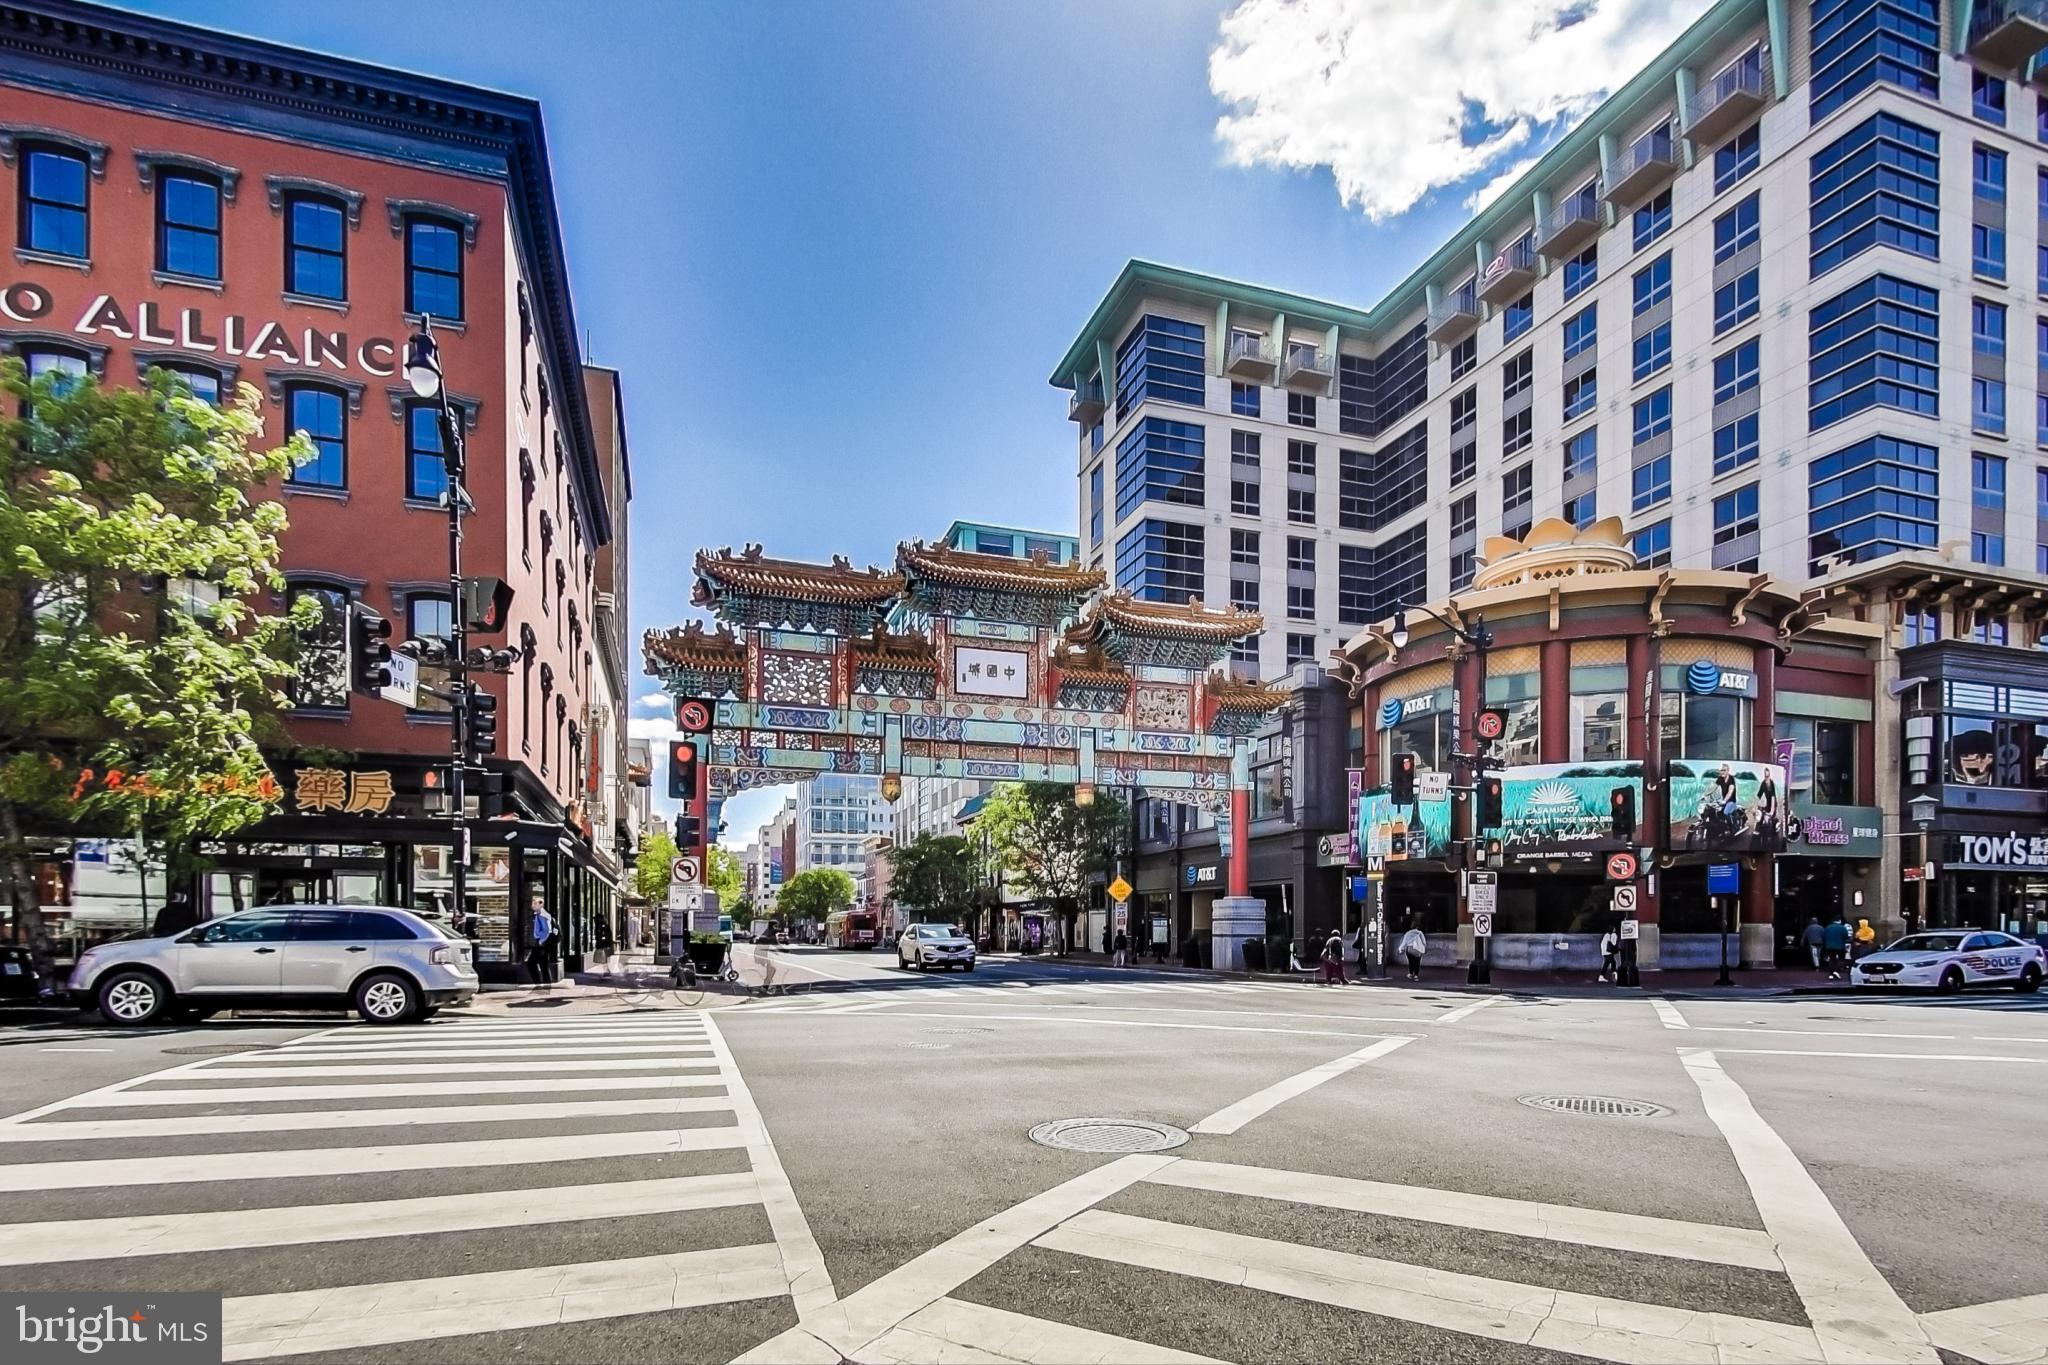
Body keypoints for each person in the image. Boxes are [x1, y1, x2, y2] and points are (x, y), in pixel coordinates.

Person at [526, 897, 555, 985]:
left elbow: (546, 930)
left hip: (541, 943)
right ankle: (546, 982)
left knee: (531, 963)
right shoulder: (538, 914)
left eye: (535, 903)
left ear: (540, 904)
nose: (532, 905)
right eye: (533, 903)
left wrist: (541, 941)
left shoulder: (542, 915)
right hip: (541, 943)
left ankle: (538, 982)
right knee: (543, 964)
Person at [1822, 916, 1850, 980]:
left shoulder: (1828, 927)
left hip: (1829, 946)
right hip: (1840, 946)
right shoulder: (1842, 927)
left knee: (1832, 959)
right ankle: (1836, 971)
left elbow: (1824, 936)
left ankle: (1831, 973)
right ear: (1839, 921)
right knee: (1840, 959)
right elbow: (1846, 937)